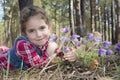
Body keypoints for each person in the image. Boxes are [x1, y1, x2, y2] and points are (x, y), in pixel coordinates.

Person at [0, 6, 78, 69]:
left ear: (49, 27)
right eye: (31, 31)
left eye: (42, 28)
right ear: (25, 33)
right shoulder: (22, 44)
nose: (39, 34)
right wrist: (49, 53)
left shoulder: (46, 43)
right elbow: (36, 67)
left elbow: (61, 54)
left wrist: (71, 55)